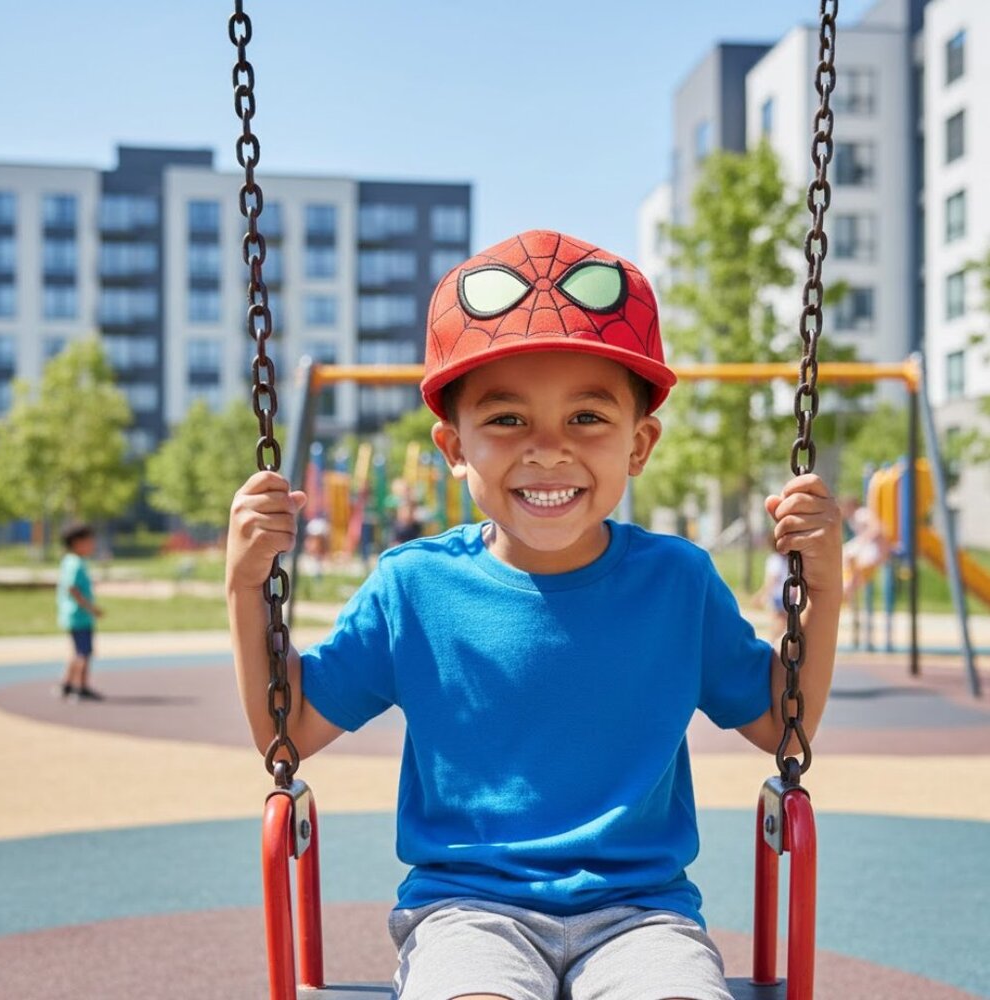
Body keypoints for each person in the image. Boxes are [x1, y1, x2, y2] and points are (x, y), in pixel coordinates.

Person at [227, 230, 843, 1000]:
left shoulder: (677, 585)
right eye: (508, 420)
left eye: (587, 418)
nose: (549, 451)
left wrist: (823, 587)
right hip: (467, 912)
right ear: (453, 445)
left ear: (640, 443)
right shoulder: (413, 589)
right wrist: (246, 587)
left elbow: (784, 723)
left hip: (641, 915)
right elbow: (289, 731)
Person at [56, 522, 104, 701]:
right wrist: (91, 608)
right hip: (79, 616)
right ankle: (81, 687)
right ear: (77, 542)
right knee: (84, 653)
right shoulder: (75, 563)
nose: (93, 545)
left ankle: (67, 684)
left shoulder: (70, 561)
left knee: (77, 652)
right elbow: (72, 588)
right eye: (90, 542)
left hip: (73, 615)